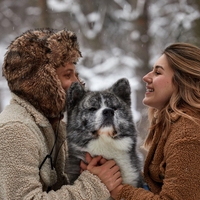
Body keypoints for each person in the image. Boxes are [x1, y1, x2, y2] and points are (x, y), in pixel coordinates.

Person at [0, 28, 122, 199]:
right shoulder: (15, 130)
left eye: (76, 75)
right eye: (68, 75)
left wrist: (84, 173)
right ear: (43, 82)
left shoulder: (53, 126)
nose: (77, 83)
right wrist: (95, 184)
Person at [110, 43, 200, 199]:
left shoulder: (188, 133)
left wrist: (120, 190)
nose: (146, 77)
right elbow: (158, 185)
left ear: (182, 81)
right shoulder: (173, 123)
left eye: (158, 72)